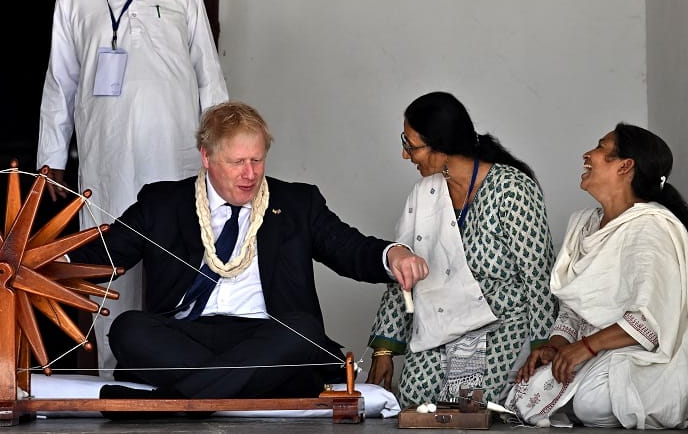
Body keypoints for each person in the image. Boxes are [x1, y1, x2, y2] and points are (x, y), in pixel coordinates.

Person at [68, 100, 430, 404]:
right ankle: (244, 384)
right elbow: (101, 257)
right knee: (128, 329)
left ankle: (170, 401)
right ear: (206, 157)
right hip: (188, 336)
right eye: (237, 162)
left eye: (257, 161)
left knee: (301, 331)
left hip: (268, 337)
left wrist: (392, 254)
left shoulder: (296, 202)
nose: (250, 174)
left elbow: (349, 248)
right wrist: (40, 262)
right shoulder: (163, 203)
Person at [37, 0, 228, 373]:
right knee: (107, 263)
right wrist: (52, 157)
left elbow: (208, 67)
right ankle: (113, 375)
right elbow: (61, 78)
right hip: (108, 156)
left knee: (180, 262)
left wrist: (224, 150)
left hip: (178, 154)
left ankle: (180, 379)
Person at [367, 91, 556, 407]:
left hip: (501, 320)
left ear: (441, 147)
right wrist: (384, 350)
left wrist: (543, 343)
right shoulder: (424, 194)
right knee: (415, 397)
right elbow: (401, 273)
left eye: (411, 146)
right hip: (443, 322)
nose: (405, 155)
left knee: (462, 403)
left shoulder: (512, 189)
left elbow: (538, 274)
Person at [505, 124, 688, 428]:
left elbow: (651, 323)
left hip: (636, 354)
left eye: (601, 148)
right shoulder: (584, 224)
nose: (587, 155)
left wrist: (585, 348)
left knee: (592, 401)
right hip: (588, 348)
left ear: (625, 166)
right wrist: (556, 345)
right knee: (519, 382)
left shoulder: (652, 227)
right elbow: (572, 308)